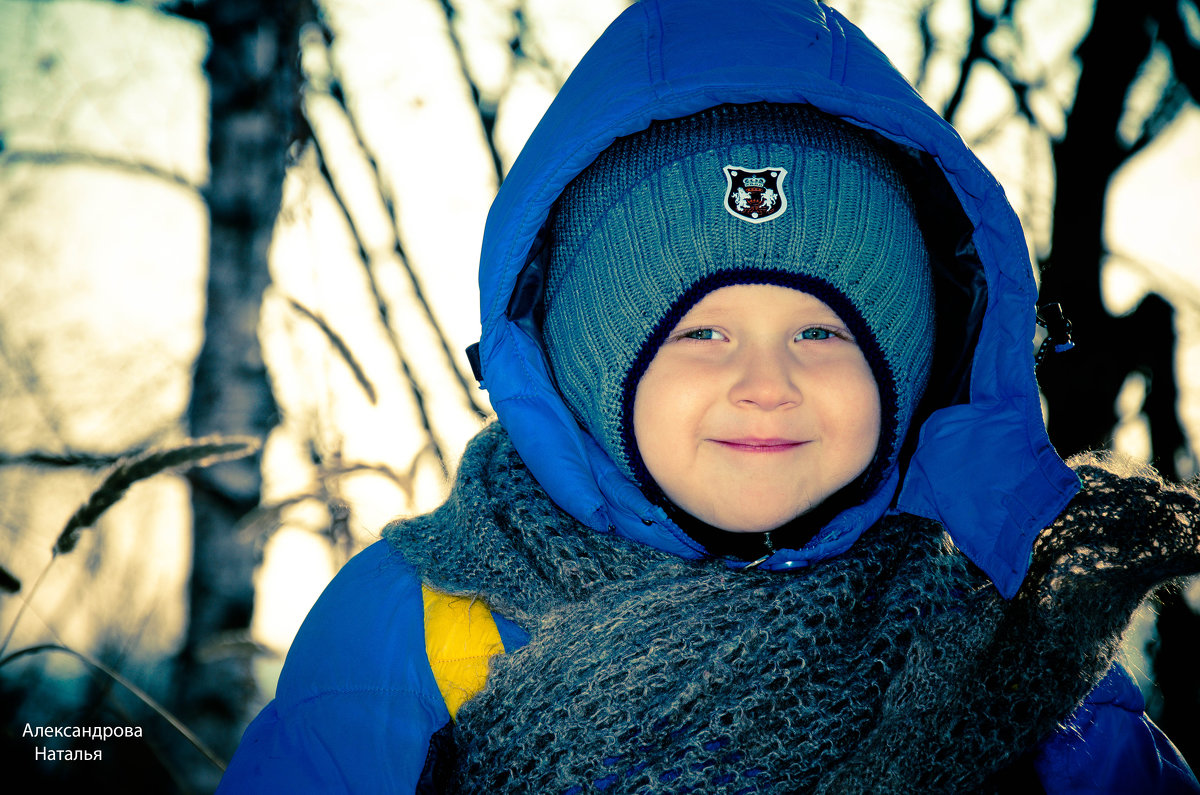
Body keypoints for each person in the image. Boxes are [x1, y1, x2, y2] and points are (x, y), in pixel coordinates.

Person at [218, 0, 1200, 792]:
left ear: (910, 376)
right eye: (701, 334)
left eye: (823, 333)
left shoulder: (1003, 644)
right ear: (593, 370)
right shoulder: (415, 628)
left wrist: (1044, 624)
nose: (766, 385)